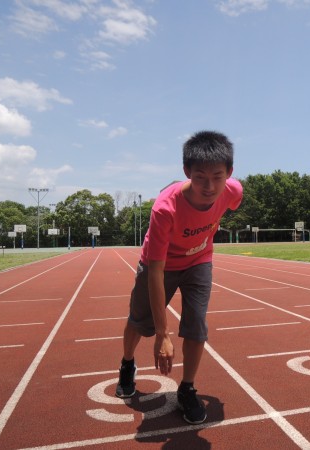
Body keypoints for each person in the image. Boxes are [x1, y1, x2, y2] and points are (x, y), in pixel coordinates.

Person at [115, 130, 243, 425]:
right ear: (186, 172)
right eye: (200, 177)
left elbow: (228, 199)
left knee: (197, 323)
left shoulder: (232, 191)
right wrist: (162, 334)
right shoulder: (165, 208)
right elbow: (156, 270)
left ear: (229, 174)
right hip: (161, 263)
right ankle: (127, 362)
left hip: (200, 259)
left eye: (217, 177)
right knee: (139, 321)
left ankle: (187, 389)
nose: (209, 186)